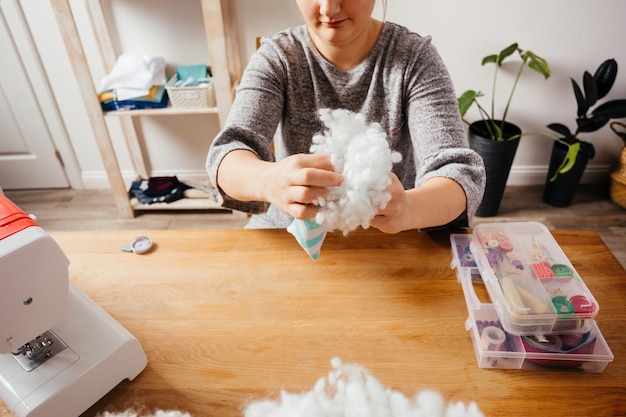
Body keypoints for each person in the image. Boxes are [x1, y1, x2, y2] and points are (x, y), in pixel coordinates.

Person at [206, 0, 485, 233]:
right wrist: (269, 180)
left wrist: (409, 208)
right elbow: (227, 153)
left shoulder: (414, 59)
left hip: (390, 236)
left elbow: (458, 172)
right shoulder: (278, 57)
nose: (328, 8)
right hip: (289, 232)